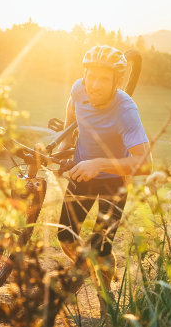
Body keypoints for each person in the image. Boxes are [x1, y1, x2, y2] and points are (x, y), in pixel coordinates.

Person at [55, 45, 152, 314]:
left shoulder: (126, 110)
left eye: (103, 79)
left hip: (115, 180)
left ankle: (105, 295)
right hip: (82, 170)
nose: (94, 85)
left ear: (117, 83)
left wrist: (99, 165)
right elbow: (72, 106)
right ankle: (91, 269)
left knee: (100, 246)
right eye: (90, 77)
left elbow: (144, 163)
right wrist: (67, 137)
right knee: (65, 237)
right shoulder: (79, 88)